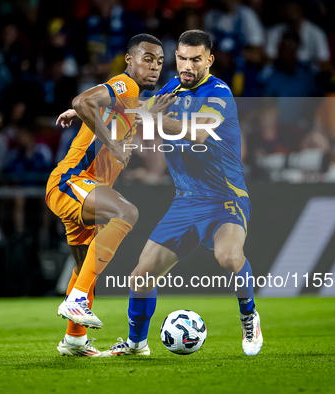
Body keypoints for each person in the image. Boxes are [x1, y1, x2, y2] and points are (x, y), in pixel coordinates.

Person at [99, 30, 262, 357]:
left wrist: (153, 117)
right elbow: (136, 109)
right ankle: (135, 344)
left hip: (224, 199)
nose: (187, 65)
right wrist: (87, 112)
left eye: (195, 59)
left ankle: (249, 315)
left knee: (228, 257)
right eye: (182, 58)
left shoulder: (219, 92)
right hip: (186, 201)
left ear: (209, 60)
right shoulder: (172, 88)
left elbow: (200, 130)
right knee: (140, 277)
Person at [47, 34, 164, 356]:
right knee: (127, 213)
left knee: (86, 268)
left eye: (159, 62)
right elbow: (82, 101)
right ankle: (76, 301)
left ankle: (73, 341)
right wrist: (107, 139)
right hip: (71, 181)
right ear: (130, 60)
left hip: (85, 192)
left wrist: (83, 115)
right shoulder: (124, 85)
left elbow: (93, 109)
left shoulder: (131, 101)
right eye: (147, 59)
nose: (154, 67)